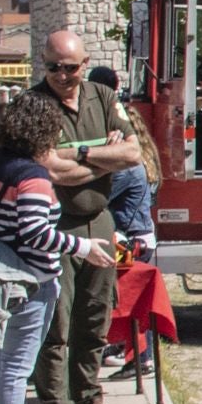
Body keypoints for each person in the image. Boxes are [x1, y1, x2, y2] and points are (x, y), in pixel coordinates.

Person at [0, 96, 114, 404]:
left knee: (2, 366)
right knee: (17, 366)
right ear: (44, 134)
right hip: (29, 280)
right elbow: (35, 233)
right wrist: (82, 246)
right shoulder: (31, 176)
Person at [27, 33, 141, 404]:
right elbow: (48, 169)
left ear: (85, 63)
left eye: (70, 68)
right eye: (53, 67)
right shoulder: (33, 104)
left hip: (98, 219)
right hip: (54, 226)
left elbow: (132, 154)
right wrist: (97, 153)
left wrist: (74, 155)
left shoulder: (103, 95)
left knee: (95, 321)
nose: (61, 75)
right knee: (56, 326)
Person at [80, 67, 159, 262]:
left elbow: (97, 197)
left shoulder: (128, 168)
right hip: (139, 237)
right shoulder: (145, 160)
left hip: (131, 241)